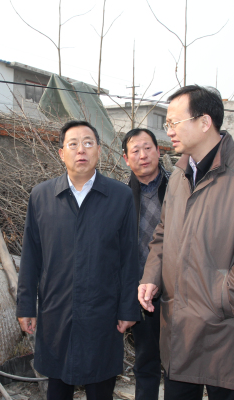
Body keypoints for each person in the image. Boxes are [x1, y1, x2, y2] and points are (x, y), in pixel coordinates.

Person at [138, 85, 234, 400]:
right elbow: (163, 232)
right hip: (179, 328)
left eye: (174, 123)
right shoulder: (178, 176)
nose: (169, 131)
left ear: (205, 122)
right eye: (167, 124)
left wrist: (224, 297)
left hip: (225, 326)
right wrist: (151, 277)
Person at [16, 120, 140, 400]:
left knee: (101, 388)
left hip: (103, 314)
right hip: (56, 312)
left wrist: (128, 309)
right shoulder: (42, 196)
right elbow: (31, 257)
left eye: (88, 143)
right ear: (62, 153)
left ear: (99, 150)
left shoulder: (120, 196)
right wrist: (26, 306)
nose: (81, 150)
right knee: (58, 388)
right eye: (73, 144)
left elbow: (129, 258)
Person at [121, 128, 171, 400]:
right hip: (142, 293)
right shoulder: (120, 196)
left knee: (180, 363)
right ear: (125, 158)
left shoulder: (179, 187)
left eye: (148, 148)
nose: (143, 155)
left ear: (158, 151)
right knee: (146, 360)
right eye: (135, 151)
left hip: (179, 291)